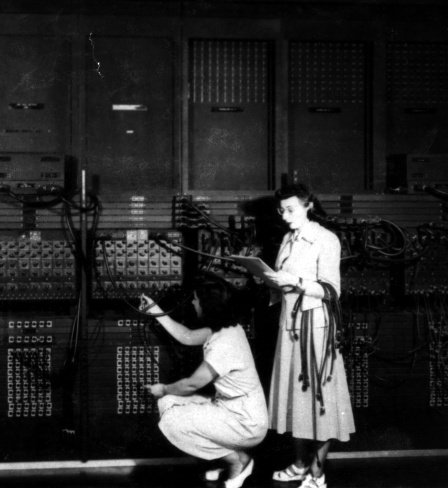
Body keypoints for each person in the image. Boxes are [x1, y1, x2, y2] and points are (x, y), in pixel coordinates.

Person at [263, 184, 355, 488]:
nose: (285, 215)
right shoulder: (288, 238)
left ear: (308, 206)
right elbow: (284, 283)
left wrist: (295, 281)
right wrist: (268, 279)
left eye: (291, 209)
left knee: (321, 403)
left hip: (316, 329)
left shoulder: (325, 239)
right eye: (281, 210)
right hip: (289, 327)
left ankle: (317, 473)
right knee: (296, 400)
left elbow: (331, 290)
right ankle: (300, 464)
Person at [140, 280, 268, 488]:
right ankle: (227, 458)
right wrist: (154, 309)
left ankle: (236, 461)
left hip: (245, 422)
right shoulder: (228, 329)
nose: (193, 303)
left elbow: (191, 385)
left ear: (209, 305)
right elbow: (186, 336)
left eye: (196, 299)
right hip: (233, 410)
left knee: (172, 420)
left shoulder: (224, 343)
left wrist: (162, 388)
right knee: (168, 402)